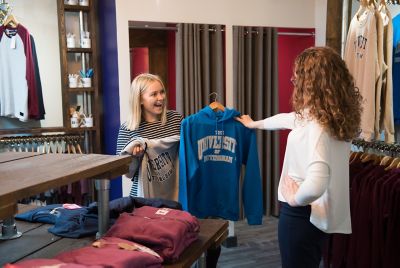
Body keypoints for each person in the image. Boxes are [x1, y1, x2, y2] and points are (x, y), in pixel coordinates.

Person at [235, 46, 363, 268]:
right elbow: (287, 119)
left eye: (298, 75)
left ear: (312, 83)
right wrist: (254, 124)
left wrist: (295, 199)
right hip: (316, 216)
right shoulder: (330, 118)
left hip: (301, 215)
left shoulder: (317, 127)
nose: (293, 80)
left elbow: (316, 184)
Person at [116, 73, 183, 199]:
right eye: (154, 94)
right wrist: (136, 157)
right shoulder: (128, 128)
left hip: (175, 195)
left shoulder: (176, 119)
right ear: (140, 99)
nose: (161, 98)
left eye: (162, 92)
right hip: (144, 198)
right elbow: (127, 173)